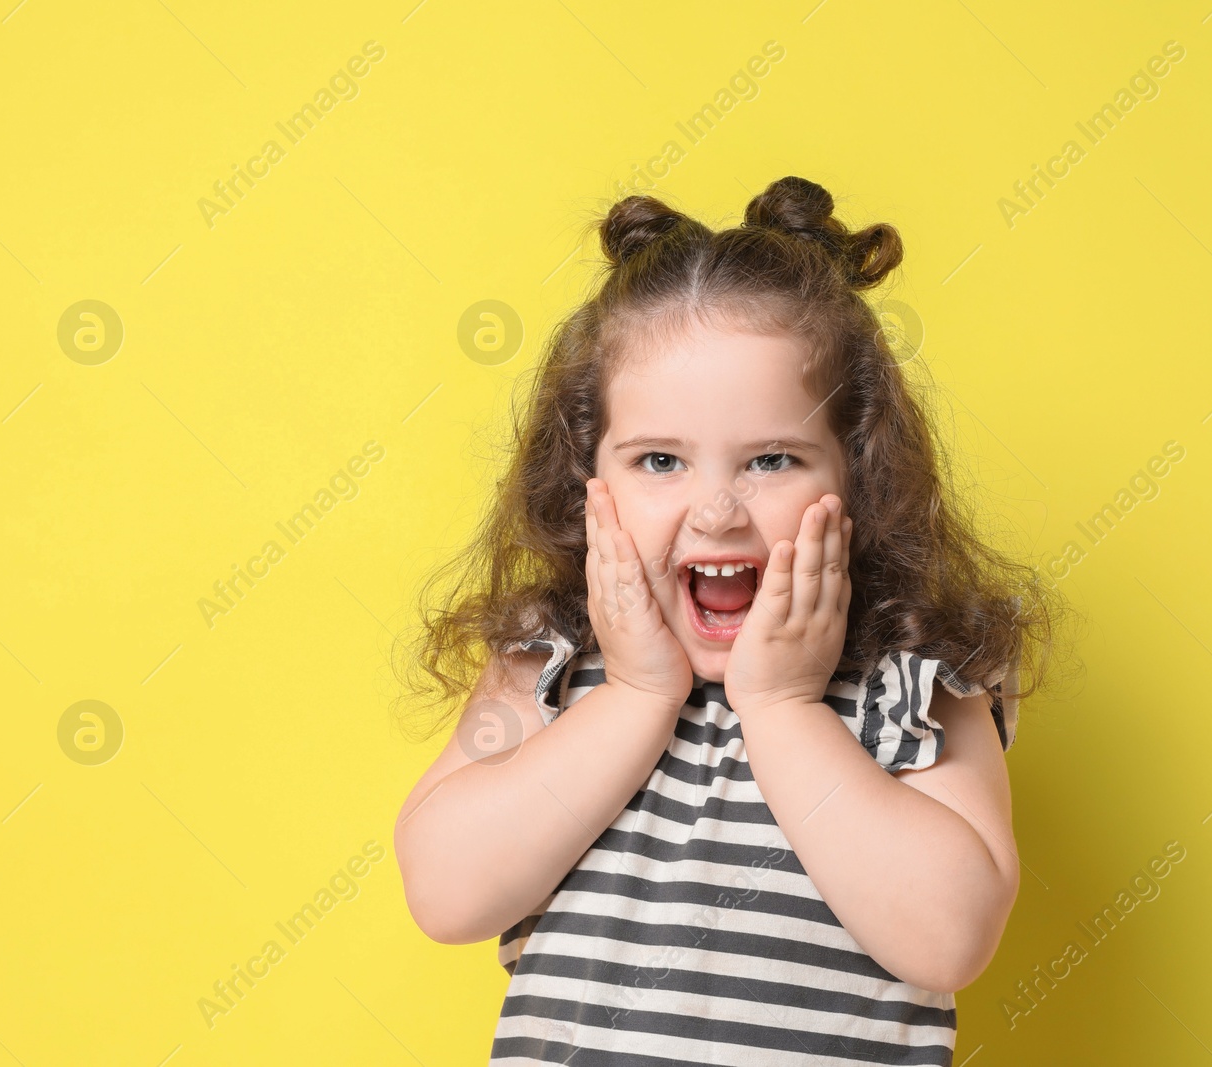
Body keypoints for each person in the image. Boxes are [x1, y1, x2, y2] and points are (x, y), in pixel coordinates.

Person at [394, 175, 1060, 1064]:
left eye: (772, 459)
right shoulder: (549, 659)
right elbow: (445, 892)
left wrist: (783, 708)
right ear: (588, 481)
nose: (716, 511)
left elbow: (950, 937)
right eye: (659, 460)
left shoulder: (915, 676)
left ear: (857, 476)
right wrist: (635, 694)